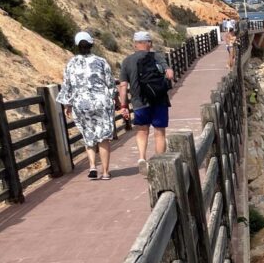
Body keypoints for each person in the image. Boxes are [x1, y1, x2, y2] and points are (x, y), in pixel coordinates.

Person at [56, 32, 116, 180]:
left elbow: (67, 86)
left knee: (88, 135)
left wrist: (67, 104)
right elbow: (110, 84)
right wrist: (112, 99)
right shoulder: (101, 62)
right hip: (101, 102)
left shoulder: (71, 63)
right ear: (91, 44)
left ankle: (92, 167)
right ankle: (106, 172)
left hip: (81, 104)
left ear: (77, 45)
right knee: (103, 137)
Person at [118, 31, 175, 175]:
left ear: (135, 44)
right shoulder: (157, 56)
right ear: (149, 43)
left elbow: (123, 85)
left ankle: (142, 158)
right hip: (159, 100)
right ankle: (159, 163)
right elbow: (170, 74)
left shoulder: (127, 61)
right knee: (159, 132)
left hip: (139, 101)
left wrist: (123, 106)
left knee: (142, 131)